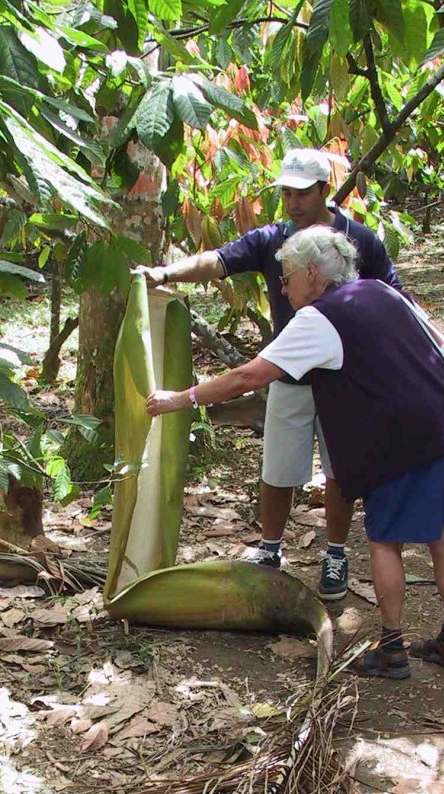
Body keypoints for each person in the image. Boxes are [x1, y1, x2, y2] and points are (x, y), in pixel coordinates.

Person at [145, 226, 444, 681]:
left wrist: (178, 399)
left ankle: (393, 648)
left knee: (384, 541)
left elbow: (248, 377)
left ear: (313, 273)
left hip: (402, 438)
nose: (282, 288)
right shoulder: (380, 291)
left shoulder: (319, 318)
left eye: (285, 279)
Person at [138, 147, 402, 602]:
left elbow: (393, 297)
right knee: (278, 467)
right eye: (286, 192)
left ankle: (335, 552)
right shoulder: (271, 238)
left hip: (345, 379)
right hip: (290, 374)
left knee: (341, 470)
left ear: (324, 190)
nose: (293, 202)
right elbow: (218, 260)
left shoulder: (359, 240)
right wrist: (165, 273)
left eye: (302, 193)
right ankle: (271, 547)